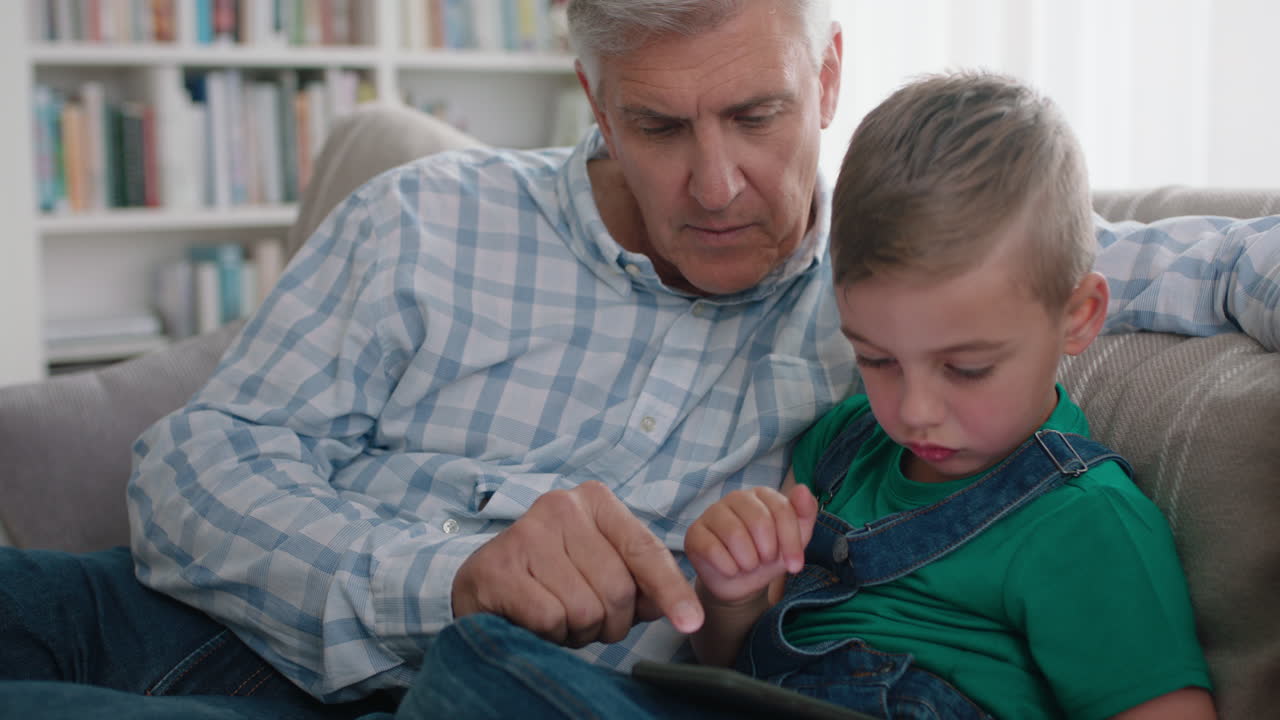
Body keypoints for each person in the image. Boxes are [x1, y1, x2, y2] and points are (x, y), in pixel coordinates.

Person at [0, 1, 1272, 718]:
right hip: (194, 611)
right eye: (658, 125)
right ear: (592, 97)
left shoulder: (905, 278)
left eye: (756, 115)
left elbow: (1207, 262)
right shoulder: (426, 218)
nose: (715, 183)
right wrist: (446, 575)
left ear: (826, 76)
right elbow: (190, 471)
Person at [398, 69, 1217, 720]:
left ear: (1079, 317)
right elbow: (735, 661)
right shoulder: (846, 442)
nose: (917, 410)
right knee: (478, 654)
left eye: (966, 369)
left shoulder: (1085, 522)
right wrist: (736, 596)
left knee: (481, 673)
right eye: (878, 359)